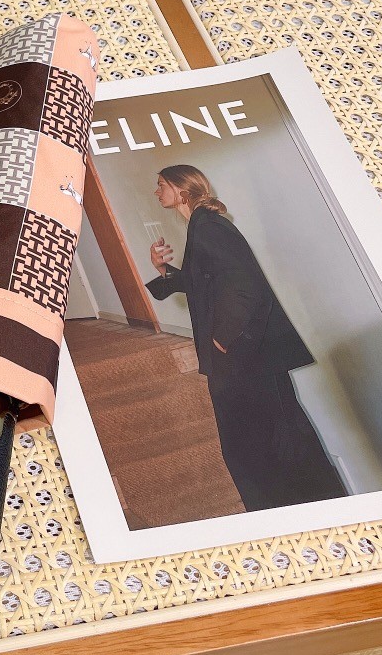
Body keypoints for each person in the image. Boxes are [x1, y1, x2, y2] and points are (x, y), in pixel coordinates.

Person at [146, 164, 346, 511]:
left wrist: (222, 340)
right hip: (247, 356)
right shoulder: (203, 225)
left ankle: (288, 510)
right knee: (274, 436)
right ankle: (308, 505)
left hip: (241, 358)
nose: (157, 191)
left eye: (161, 184)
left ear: (181, 190)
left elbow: (245, 285)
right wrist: (163, 271)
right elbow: (203, 282)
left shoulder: (208, 227)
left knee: (255, 443)